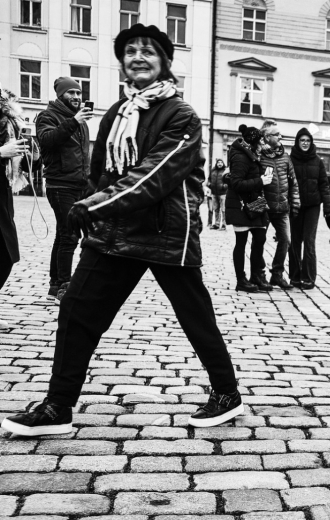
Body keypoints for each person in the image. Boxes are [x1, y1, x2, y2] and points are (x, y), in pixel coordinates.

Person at [0, 24, 243, 436]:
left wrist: (94, 206)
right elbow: (100, 174)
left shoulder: (181, 116)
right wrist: (93, 204)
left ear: (165, 61)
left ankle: (227, 394)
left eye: (148, 51)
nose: (138, 57)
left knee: (195, 317)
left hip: (166, 234)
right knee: (76, 312)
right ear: (123, 63)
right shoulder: (117, 113)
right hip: (114, 234)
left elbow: (156, 176)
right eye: (130, 51)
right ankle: (58, 406)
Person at [36, 77, 93, 303]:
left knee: (63, 234)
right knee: (70, 235)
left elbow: (83, 155)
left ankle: (54, 287)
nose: (77, 97)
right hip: (60, 185)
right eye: (71, 93)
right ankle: (64, 288)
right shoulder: (48, 116)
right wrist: (74, 122)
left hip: (79, 185)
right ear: (60, 95)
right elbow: (47, 141)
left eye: (79, 93)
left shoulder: (80, 120)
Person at [226, 124, 272, 293]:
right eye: (260, 139)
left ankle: (256, 276)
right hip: (241, 203)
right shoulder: (240, 156)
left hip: (256, 201)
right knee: (241, 242)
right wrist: (261, 181)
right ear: (253, 141)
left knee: (260, 238)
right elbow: (236, 183)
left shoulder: (252, 153)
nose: (263, 142)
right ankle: (241, 280)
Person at [259, 120, 300, 290]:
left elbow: (293, 181)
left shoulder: (285, 156)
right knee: (259, 241)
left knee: (286, 240)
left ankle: (277, 274)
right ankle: (259, 274)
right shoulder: (258, 155)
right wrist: (259, 205)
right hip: (264, 208)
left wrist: (295, 202)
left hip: (282, 207)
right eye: (276, 134)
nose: (280, 136)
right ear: (267, 137)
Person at [0, 88, 28, 331]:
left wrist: (25, 155)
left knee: (7, 254)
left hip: (2, 191)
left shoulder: (7, 121)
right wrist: (1, 152)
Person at [289, 128, 330, 289]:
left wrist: (328, 209)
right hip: (295, 205)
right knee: (294, 242)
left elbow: (324, 186)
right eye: (302, 140)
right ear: (297, 142)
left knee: (309, 241)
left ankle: (308, 277)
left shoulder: (318, 161)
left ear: (311, 142)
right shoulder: (290, 159)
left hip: (313, 206)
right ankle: (294, 276)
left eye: (307, 140)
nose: (305, 143)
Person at [206, 158, 228, 230]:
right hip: (214, 193)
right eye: (218, 162)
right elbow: (209, 179)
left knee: (223, 209)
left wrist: (224, 186)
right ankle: (217, 224)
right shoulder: (213, 171)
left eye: (221, 162)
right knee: (216, 209)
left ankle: (224, 224)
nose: (220, 164)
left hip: (223, 193)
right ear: (216, 163)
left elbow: (229, 180)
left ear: (223, 163)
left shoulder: (225, 171)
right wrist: (209, 184)